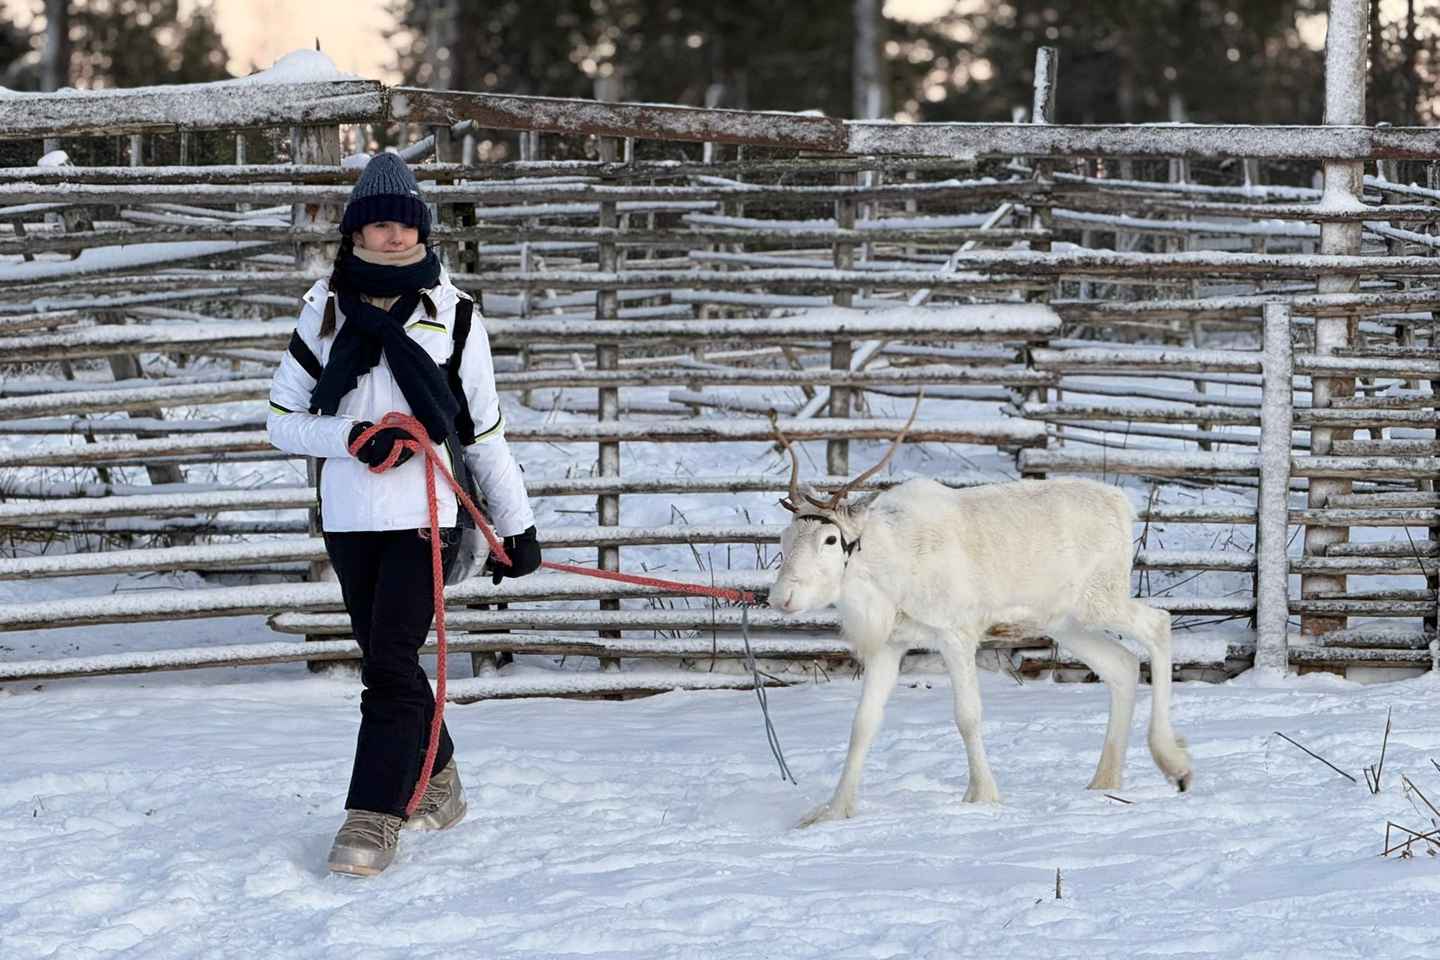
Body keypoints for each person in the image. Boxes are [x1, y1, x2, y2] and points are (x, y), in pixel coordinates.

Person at [267, 152, 543, 877]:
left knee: (388, 665)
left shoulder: (453, 315)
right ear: (355, 232)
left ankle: (373, 816)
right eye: (377, 224)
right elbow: (281, 419)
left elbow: (482, 432)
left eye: (403, 225)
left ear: (422, 231)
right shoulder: (322, 309)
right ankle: (441, 783)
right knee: (391, 666)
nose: (391, 237)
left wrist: (515, 525)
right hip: (351, 517)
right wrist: (349, 438)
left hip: (426, 515)